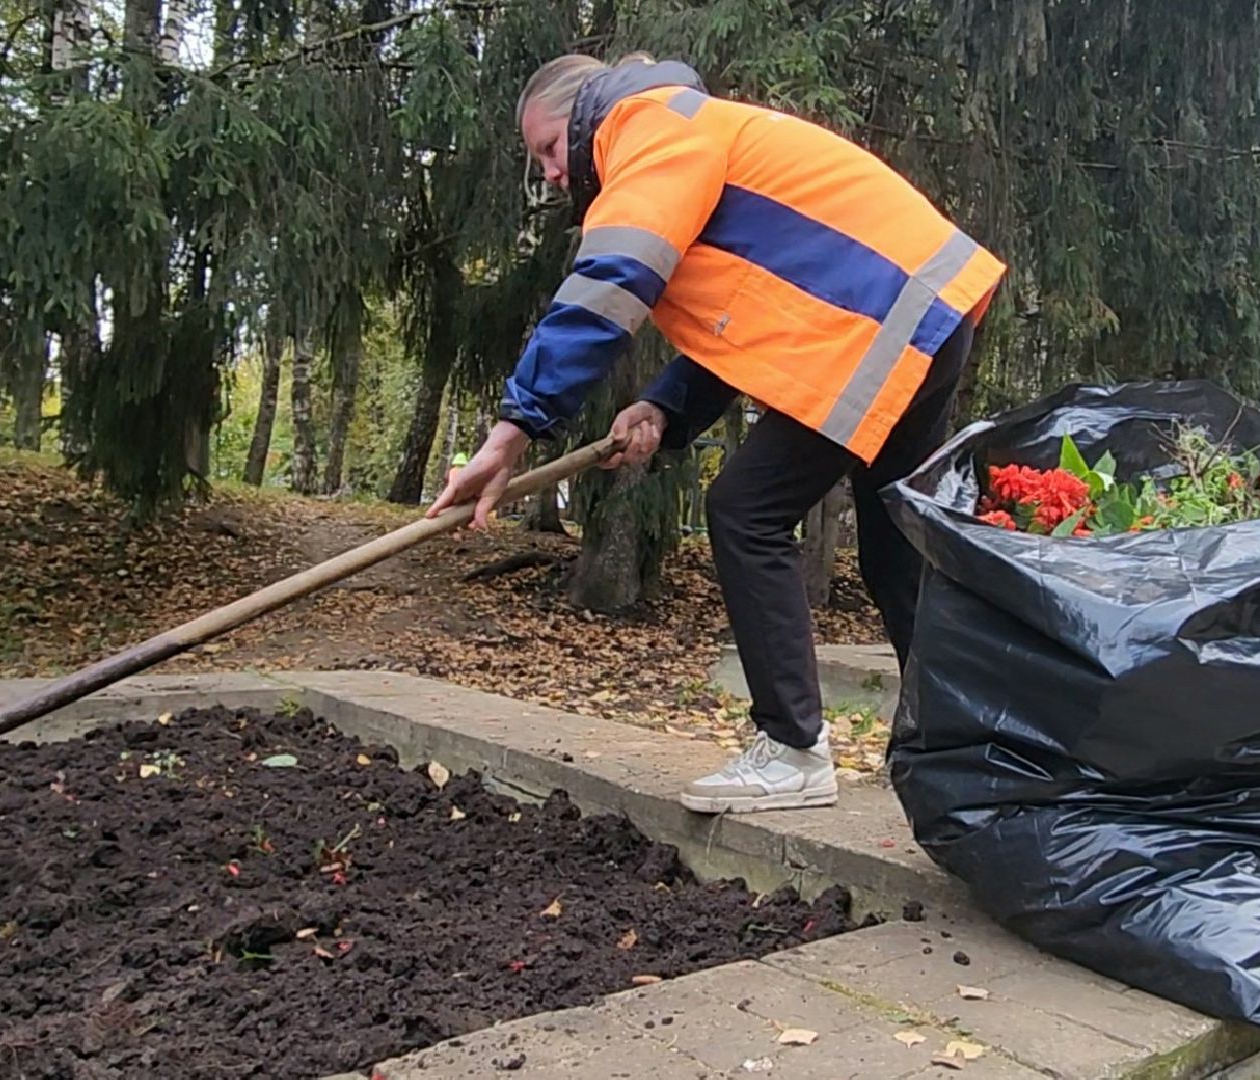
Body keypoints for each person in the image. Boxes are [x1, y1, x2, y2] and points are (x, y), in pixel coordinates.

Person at [426, 54, 1006, 815]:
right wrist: (665, 408)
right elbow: (753, 311)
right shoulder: (690, 134)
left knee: (745, 508)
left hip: (877, 318)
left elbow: (610, 284)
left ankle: (793, 749)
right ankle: (972, 753)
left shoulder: (646, 129)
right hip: (916, 314)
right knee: (894, 547)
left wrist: (513, 429)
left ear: (582, 117)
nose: (549, 175)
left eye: (545, 149)